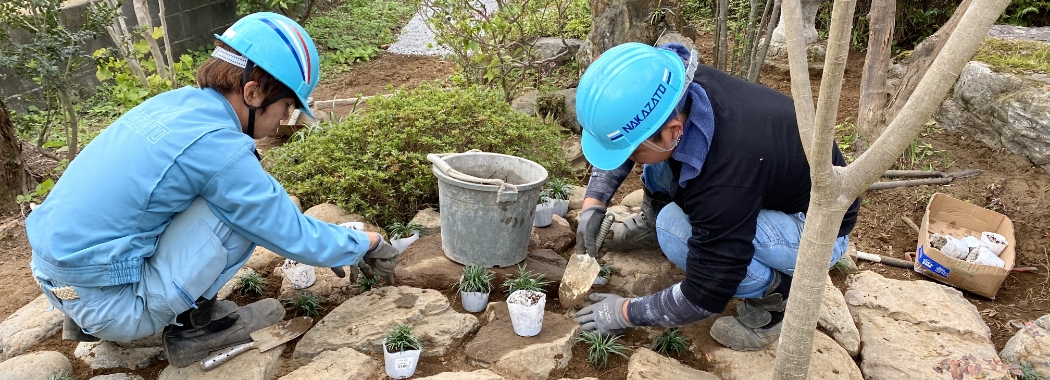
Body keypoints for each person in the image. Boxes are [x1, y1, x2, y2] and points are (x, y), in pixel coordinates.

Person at [25, 12, 400, 367]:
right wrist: (364, 243)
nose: (285, 118)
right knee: (240, 213)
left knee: (213, 195)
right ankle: (194, 328)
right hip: (115, 307)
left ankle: (86, 315)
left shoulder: (173, 105)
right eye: (285, 105)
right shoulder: (218, 148)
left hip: (60, 282)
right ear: (253, 93)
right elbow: (288, 231)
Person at [571, 42, 859, 351]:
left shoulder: (724, 185)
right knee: (657, 162)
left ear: (672, 131)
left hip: (816, 226)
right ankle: (648, 227)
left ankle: (776, 297)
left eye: (633, 150)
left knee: (673, 228)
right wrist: (594, 203)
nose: (630, 157)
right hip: (767, 181)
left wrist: (624, 312)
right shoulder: (675, 88)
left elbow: (706, 293)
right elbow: (630, 137)